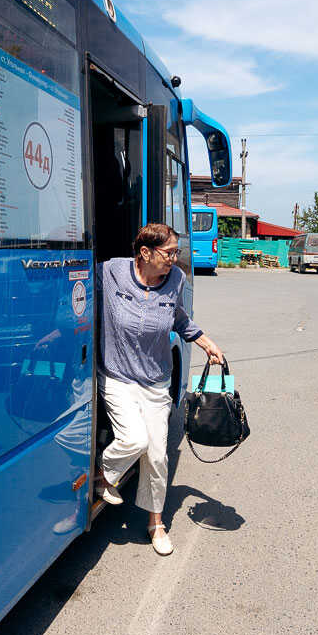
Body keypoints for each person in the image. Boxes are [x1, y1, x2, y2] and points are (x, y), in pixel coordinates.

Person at [96, 223, 224, 555]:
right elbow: (70, 284)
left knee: (157, 456)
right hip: (118, 376)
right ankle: (103, 475)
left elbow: (178, 318)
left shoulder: (176, 280)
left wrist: (206, 342)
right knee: (133, 439)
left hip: (155, 381)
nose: (174, 259)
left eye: (176, 252)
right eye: (169, 253)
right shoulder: (111, 272)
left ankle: (156, 523)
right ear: (145, 252)